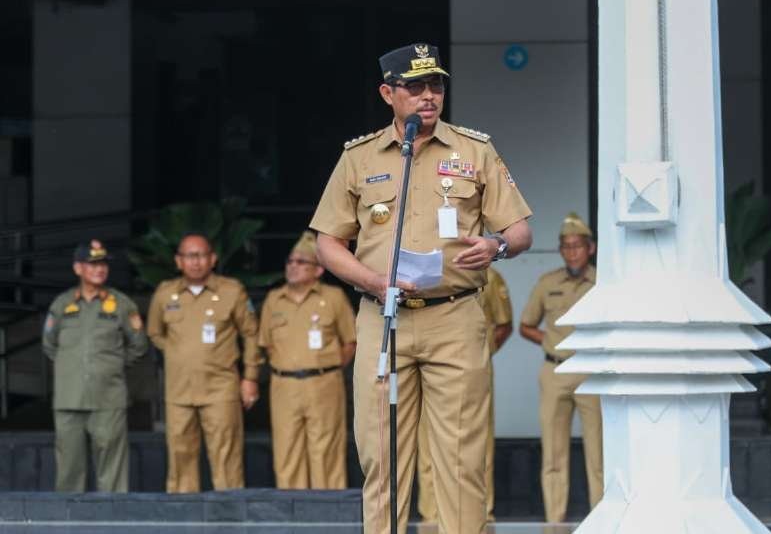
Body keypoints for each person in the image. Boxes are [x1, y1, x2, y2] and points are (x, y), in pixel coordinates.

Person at [310, 42, 532, 534]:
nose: (428, 96)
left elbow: (519, 232)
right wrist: (373, 280)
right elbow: (328, 244)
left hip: (455, 316)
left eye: (436, 86)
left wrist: (495, 246)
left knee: (460, 459)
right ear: (388, 93)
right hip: (382, 316)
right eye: (414, 87)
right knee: (381, 454)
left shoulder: (475, 150)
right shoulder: (359, 157)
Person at [147, 233, 262, 493]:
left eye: (201, 255)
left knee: (226, 458)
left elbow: (251, 333)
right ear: (178, 261)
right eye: (189, 256)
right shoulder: (165, 294)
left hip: (221, 388)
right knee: (180, 458)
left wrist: (250, 377)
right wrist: (178, 353)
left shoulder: (232, 291)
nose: (195, 262)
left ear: (212, 259)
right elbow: (155, 333)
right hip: (179, 391)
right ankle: (184, 519)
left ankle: (229, 518)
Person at [42, 240, 148, 492]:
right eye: (92, 264)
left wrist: (110, 366)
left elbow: (138, 346)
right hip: (69, 399)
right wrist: (73, 370)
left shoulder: (122, 305)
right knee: (69, 471)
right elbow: (50, 346)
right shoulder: (61, 304)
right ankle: (68, 526)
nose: (99, 269)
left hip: (108, 398)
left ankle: (112, 525)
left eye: (102, 264)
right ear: (78, 269)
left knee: (111, 473)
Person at [520, 213, 603, 523]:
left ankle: (601, 520)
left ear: (590, 248)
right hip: (555, 372)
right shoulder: (548, 283)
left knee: (598, 452)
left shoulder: (603, 283)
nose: (572, 252)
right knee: (553, 453)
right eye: (566, 246)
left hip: (592, 372)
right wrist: (550, 342)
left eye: (578, 246)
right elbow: (526, 325)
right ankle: (555, 522)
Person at [258, 231, 356, 489]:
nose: (293, 267)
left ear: (319, 270)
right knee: (286, 448)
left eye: (301, 262)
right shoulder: (273, 300)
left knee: (326, 449)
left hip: (324, 383)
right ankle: (292, 514)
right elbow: (266, 344)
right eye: (290, 261)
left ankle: (329, 513)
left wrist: (326, 368)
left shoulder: (333, 298)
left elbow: (350, 342)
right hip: (284, 385)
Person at [416, 265, 514, 523]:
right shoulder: (423, 270)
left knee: (475, 443)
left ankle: (482, 514)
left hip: (469, 364)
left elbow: (503, 326)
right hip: (426, 363)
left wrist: (482, 352)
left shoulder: (489, 275)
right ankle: (431, 517)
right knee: (427, 443)